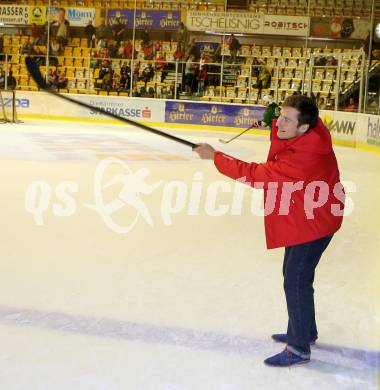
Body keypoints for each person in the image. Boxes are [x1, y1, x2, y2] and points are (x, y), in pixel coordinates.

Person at [193, 95, 344, 367]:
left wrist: (215, 156)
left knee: (295, 281)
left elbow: (254, 174)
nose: (279, 123)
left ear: (303, 128)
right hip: (310, 215)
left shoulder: (302, 158)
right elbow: (284, 123)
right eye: (280, 116)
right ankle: (305, 331)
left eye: (286, 120)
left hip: (313, 224)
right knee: (295, 276)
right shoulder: (310, 132)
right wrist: (275, 117)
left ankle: (298, 348)